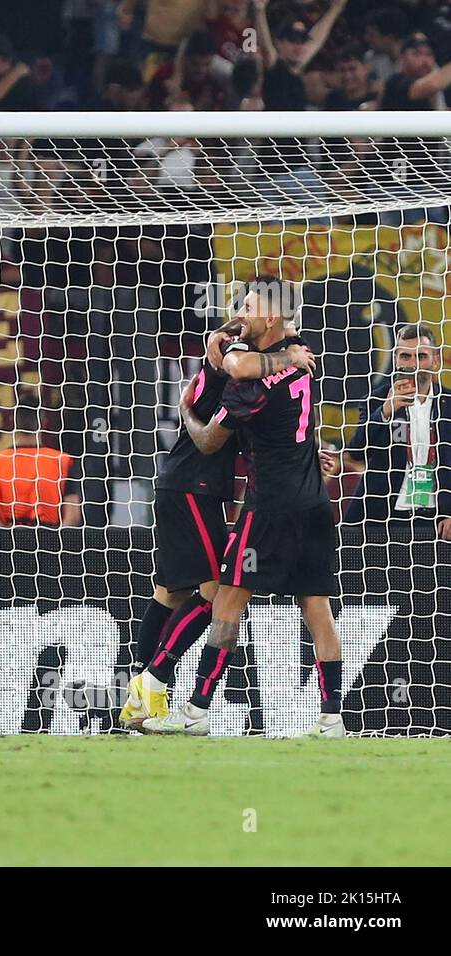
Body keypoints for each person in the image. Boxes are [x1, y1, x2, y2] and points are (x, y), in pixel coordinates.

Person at [144, 277, 345, 739]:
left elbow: (212, 439)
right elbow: (298, 417)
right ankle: (332, 718)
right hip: (314, 503)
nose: (241, 314)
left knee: (227, 603)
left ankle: (196, 710)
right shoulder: (304, 358)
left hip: (269, 505)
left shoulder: (251, 385)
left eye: (248, 306)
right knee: (317, 609)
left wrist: (189, 412)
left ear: (271, 315)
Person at [344, 323, 451, 539]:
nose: (413, 364)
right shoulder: (376, 399)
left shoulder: (449, 403)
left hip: (437, 519)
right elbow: (356, 452)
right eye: (405, 357)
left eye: (421, 356)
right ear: (395, 359)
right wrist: (385, 410)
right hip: (381, 517)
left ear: (436, 359)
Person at [0, 405, 83, 527]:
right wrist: (56, 542)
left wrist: (5, 541)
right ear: (44, 423)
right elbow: (72, 515)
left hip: (9, 539)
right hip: (50, 538)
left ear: (12, 423)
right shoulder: (61, 461)